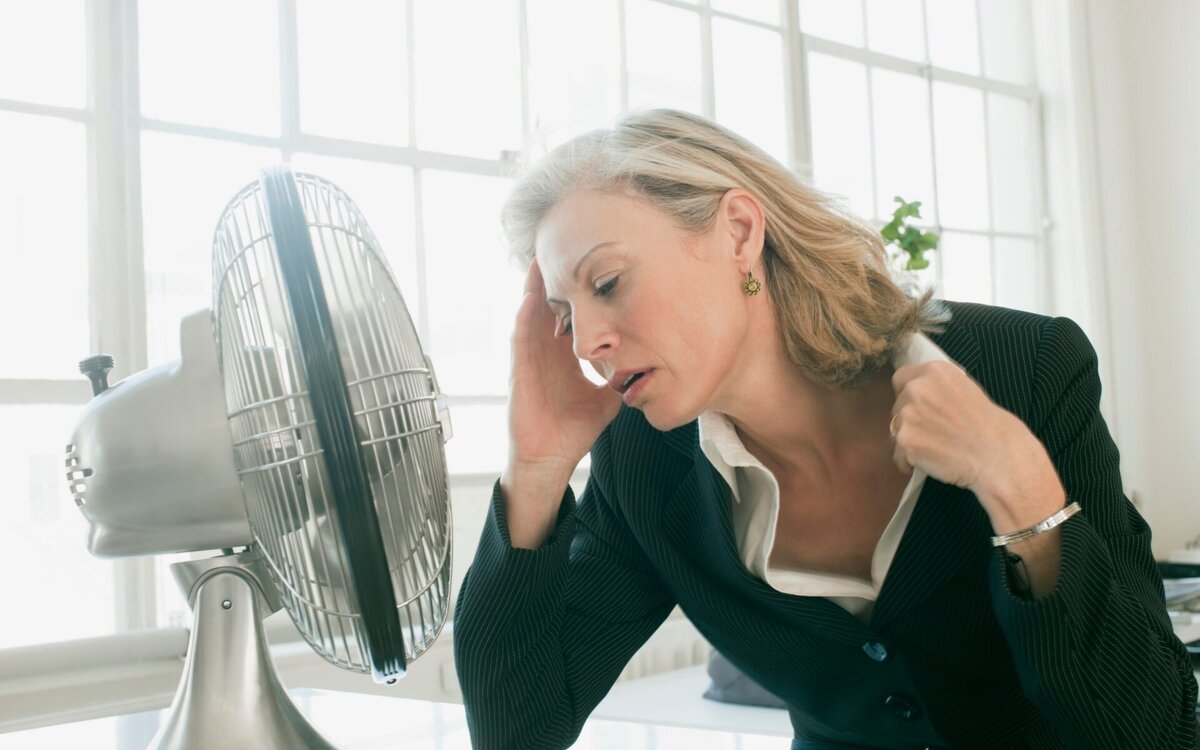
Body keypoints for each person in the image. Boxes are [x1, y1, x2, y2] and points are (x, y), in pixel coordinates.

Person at [452, 109, 1199, 749]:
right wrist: (536, 466)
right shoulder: (643, 461)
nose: (586, 343)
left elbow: (1156, 732)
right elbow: (517, 731)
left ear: (739, 231)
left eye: (608, 283)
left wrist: (1019, 486)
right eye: (566, 317)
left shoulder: (1026, 368)